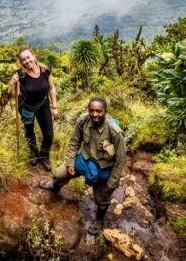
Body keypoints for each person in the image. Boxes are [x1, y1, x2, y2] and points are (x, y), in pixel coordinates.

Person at [39, 98, 127, 235]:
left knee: (102, 198)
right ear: (88, 110)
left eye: (99, 111)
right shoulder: (83, 120)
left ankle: (98, 220)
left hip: (103, 167)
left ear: (105, 112)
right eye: (92, 110)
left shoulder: (114, 132)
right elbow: (75, 141)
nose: (95, 114)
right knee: (60, 173)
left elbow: (121, 160)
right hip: (84, 159)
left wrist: (113, 181)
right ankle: (54, 187)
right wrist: (70, 162)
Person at [9, 48, 58, 171]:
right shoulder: (20, 75)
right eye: (23, 59)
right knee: (29, 131)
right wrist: (12, 83)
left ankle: (44, 155)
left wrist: (54, 106)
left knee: (49, 134)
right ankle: (33, 151)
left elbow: (51, 88)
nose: (27, 61)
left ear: (34, 56)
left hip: (43, 104)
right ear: (21, 62)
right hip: (26, 107)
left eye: (28, 57)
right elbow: (14, 94)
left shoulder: (45, 70)